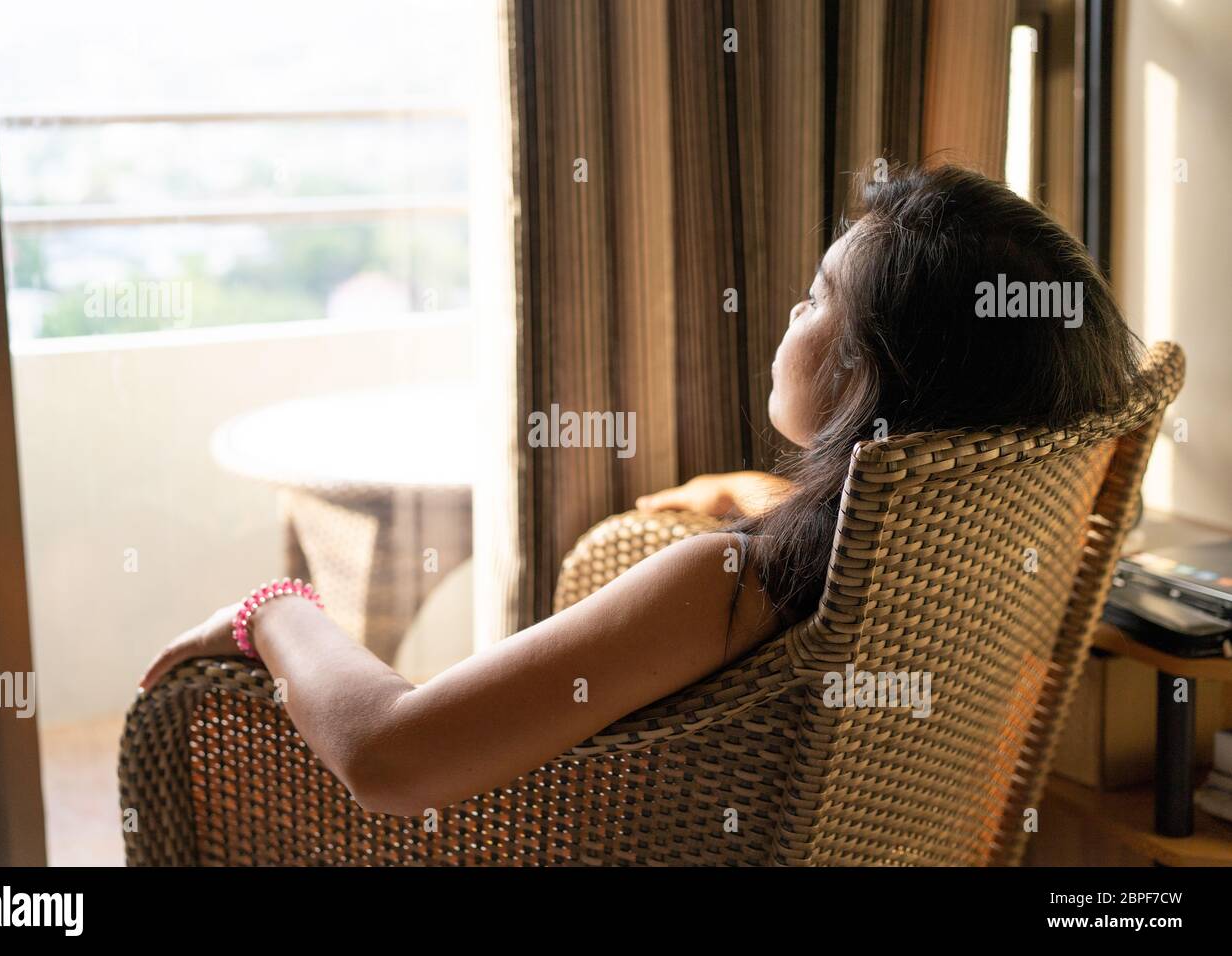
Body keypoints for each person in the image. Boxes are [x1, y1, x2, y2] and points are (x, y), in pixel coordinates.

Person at [140, 164, 1147, 816]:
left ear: (864, 378)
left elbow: (392, 756)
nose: (791, 311)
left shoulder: (731, 581)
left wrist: (272, 610)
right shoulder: (984, 544)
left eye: (817, 298)